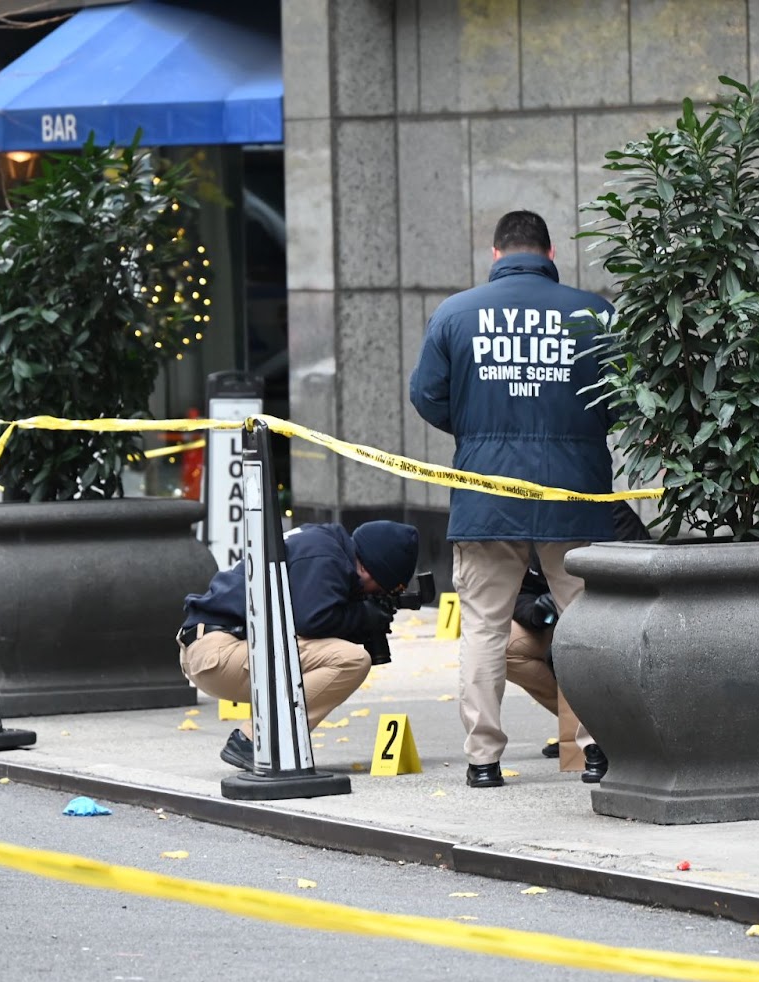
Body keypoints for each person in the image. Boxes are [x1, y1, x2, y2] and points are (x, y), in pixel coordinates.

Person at [409, 209, 616, 789]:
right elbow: (622, 401)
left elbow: (427, 397)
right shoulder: (593, 313)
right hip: (574, 490)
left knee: (483, 627)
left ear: (495, 255)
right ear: (550, 255)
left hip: (485, 492)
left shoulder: (455, 312)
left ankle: (483, 760)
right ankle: (596, 749)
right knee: (587, 623)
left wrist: (479, 430)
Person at [177, 519, 420, 772]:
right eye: (380, 590)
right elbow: (313, 620)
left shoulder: (324, 545)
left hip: (215, 647)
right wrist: (363, 616)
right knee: (351, 660)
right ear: (370, 571)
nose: (375, 595)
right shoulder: (326, 556)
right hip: (220, 651)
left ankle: (265, 740)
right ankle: (256, 741)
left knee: (339, 653)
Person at [510, 502, 650, 759]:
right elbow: (517, 592)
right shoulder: (528, 512)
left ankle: (608, 731)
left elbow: (641, 579)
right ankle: (578, 726)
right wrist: (536, 611)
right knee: (501, 642)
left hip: (611, 624)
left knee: (574, 648)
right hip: (557, 624)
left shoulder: (611, 513)